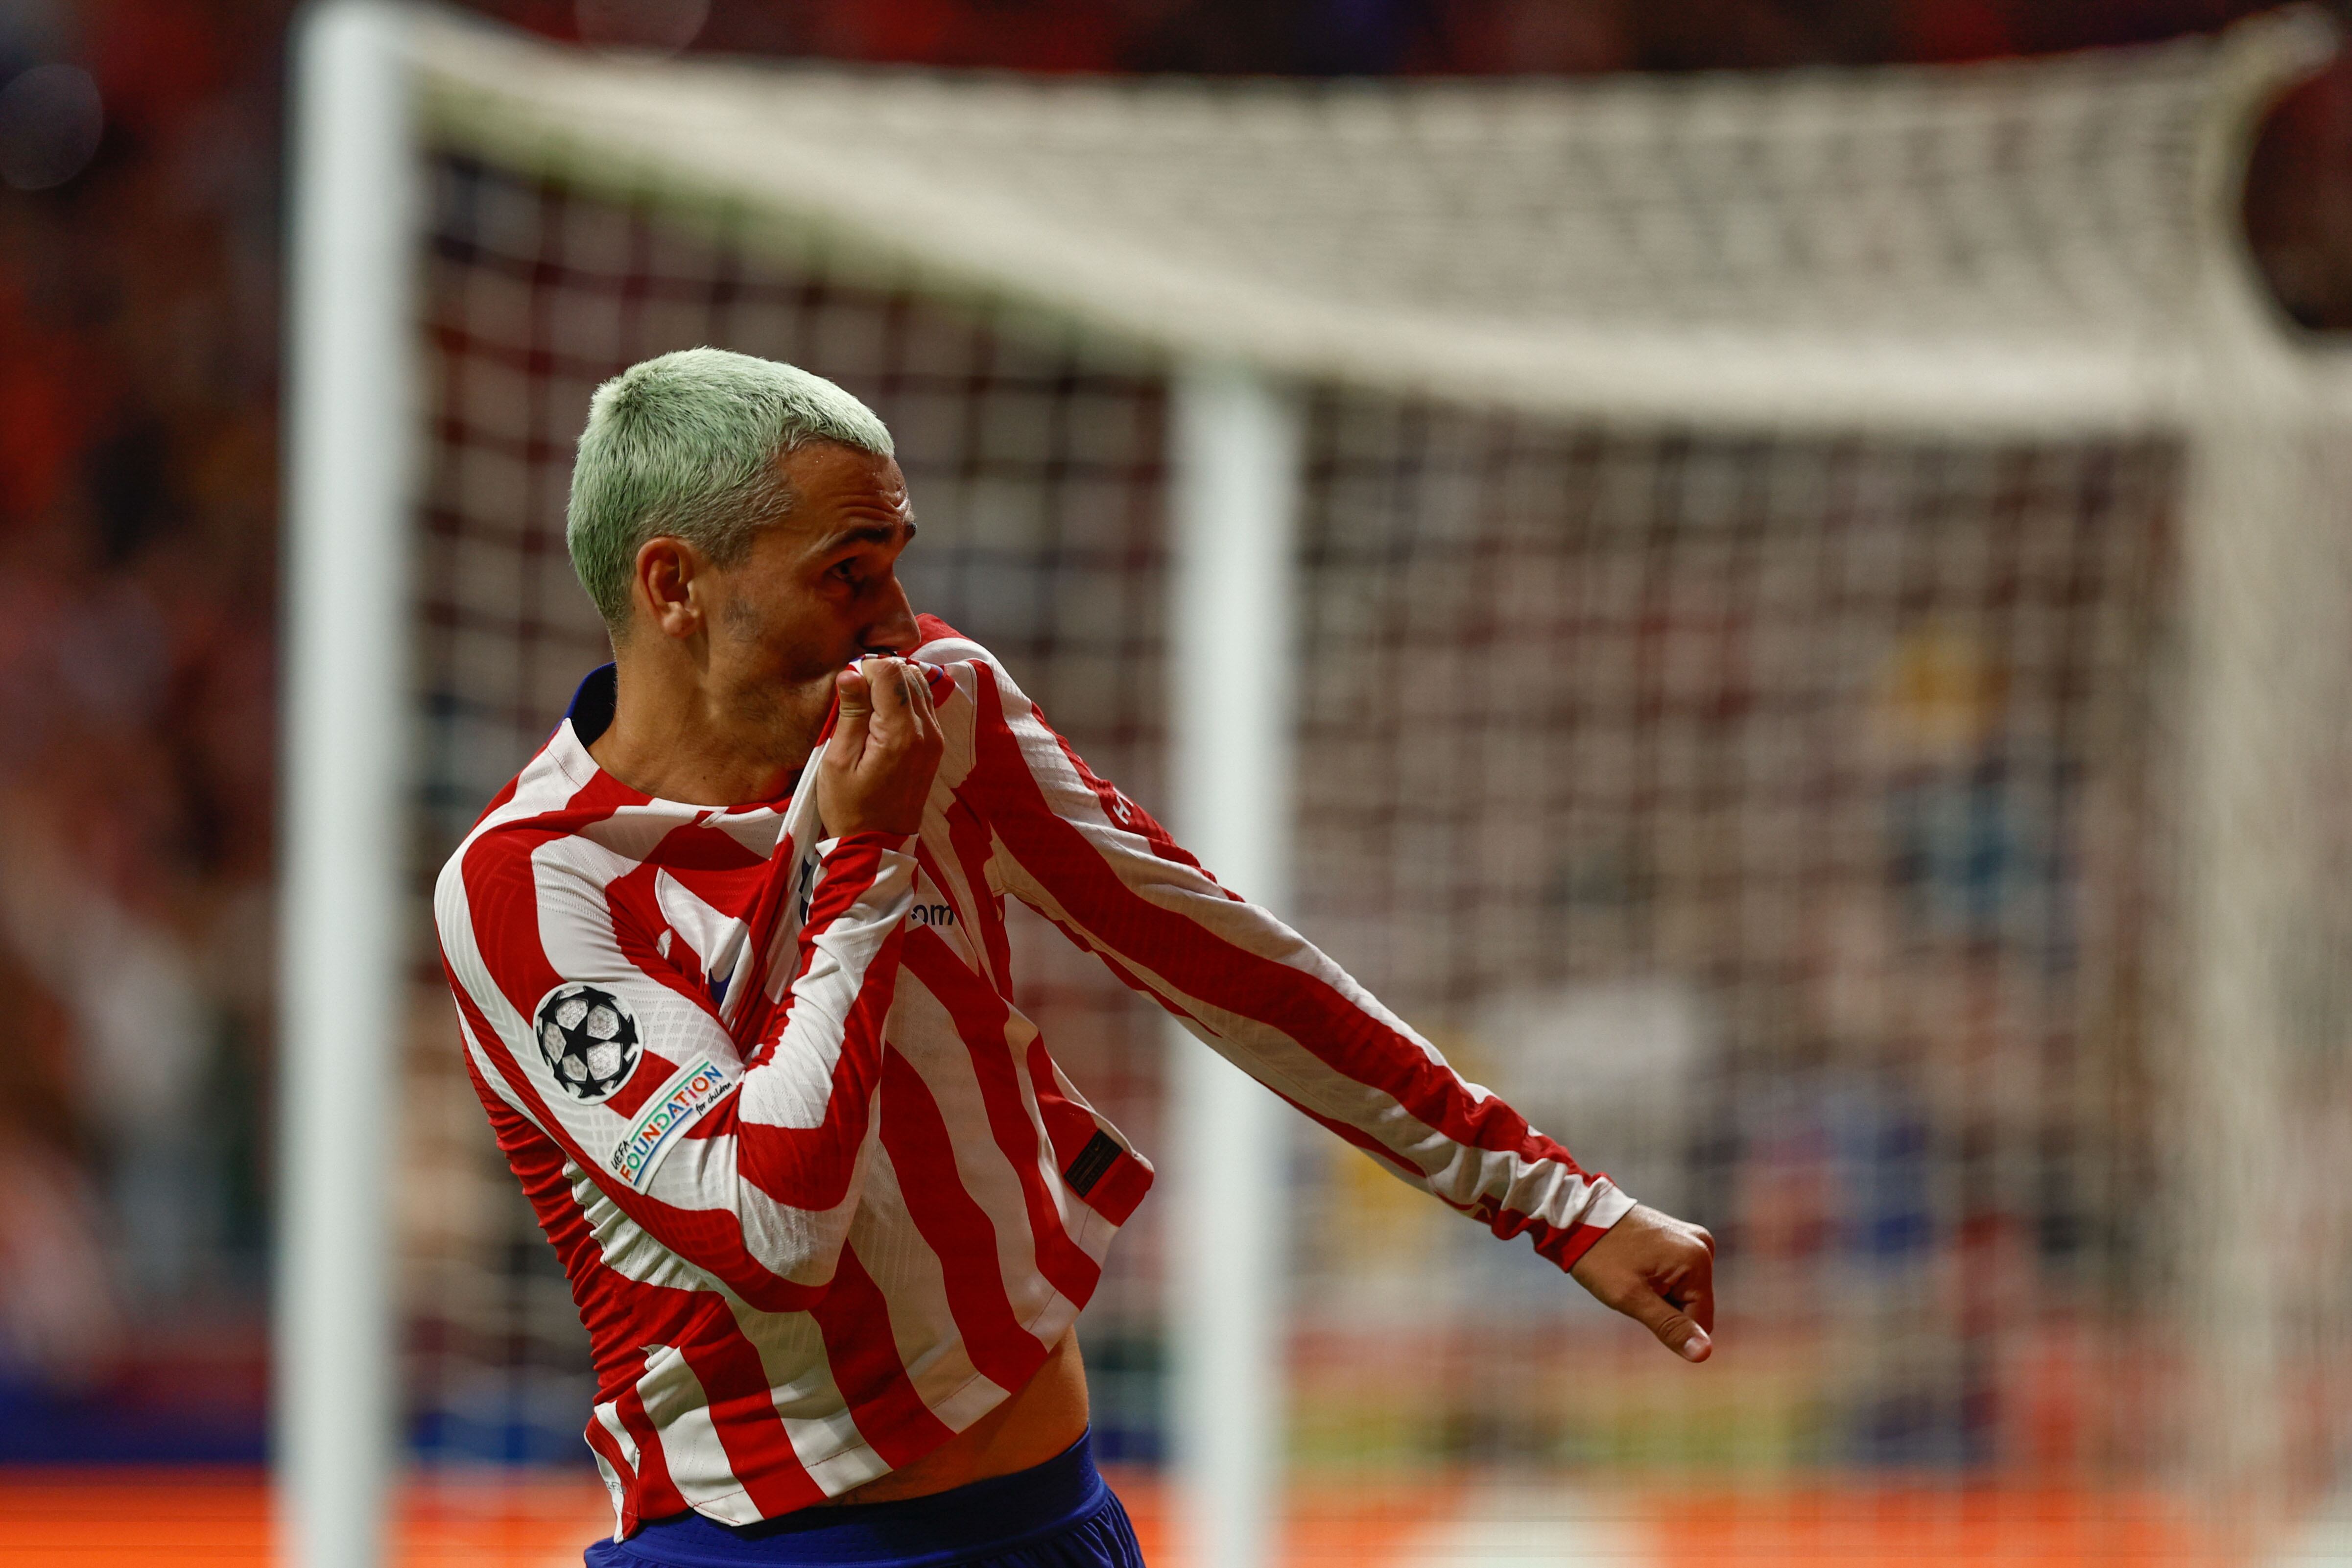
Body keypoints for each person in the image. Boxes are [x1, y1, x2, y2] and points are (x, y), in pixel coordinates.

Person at [434, 348, 1715, 1568]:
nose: (892, 615)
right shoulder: (534, 888)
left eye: (896, 560)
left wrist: (1552, 1202)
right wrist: (864, 860)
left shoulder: (940, 704)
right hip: (772, 1548)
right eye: (847, 570)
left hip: (1056, 1518)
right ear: (675, 586)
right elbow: (774, 1228)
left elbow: (1222, 957)